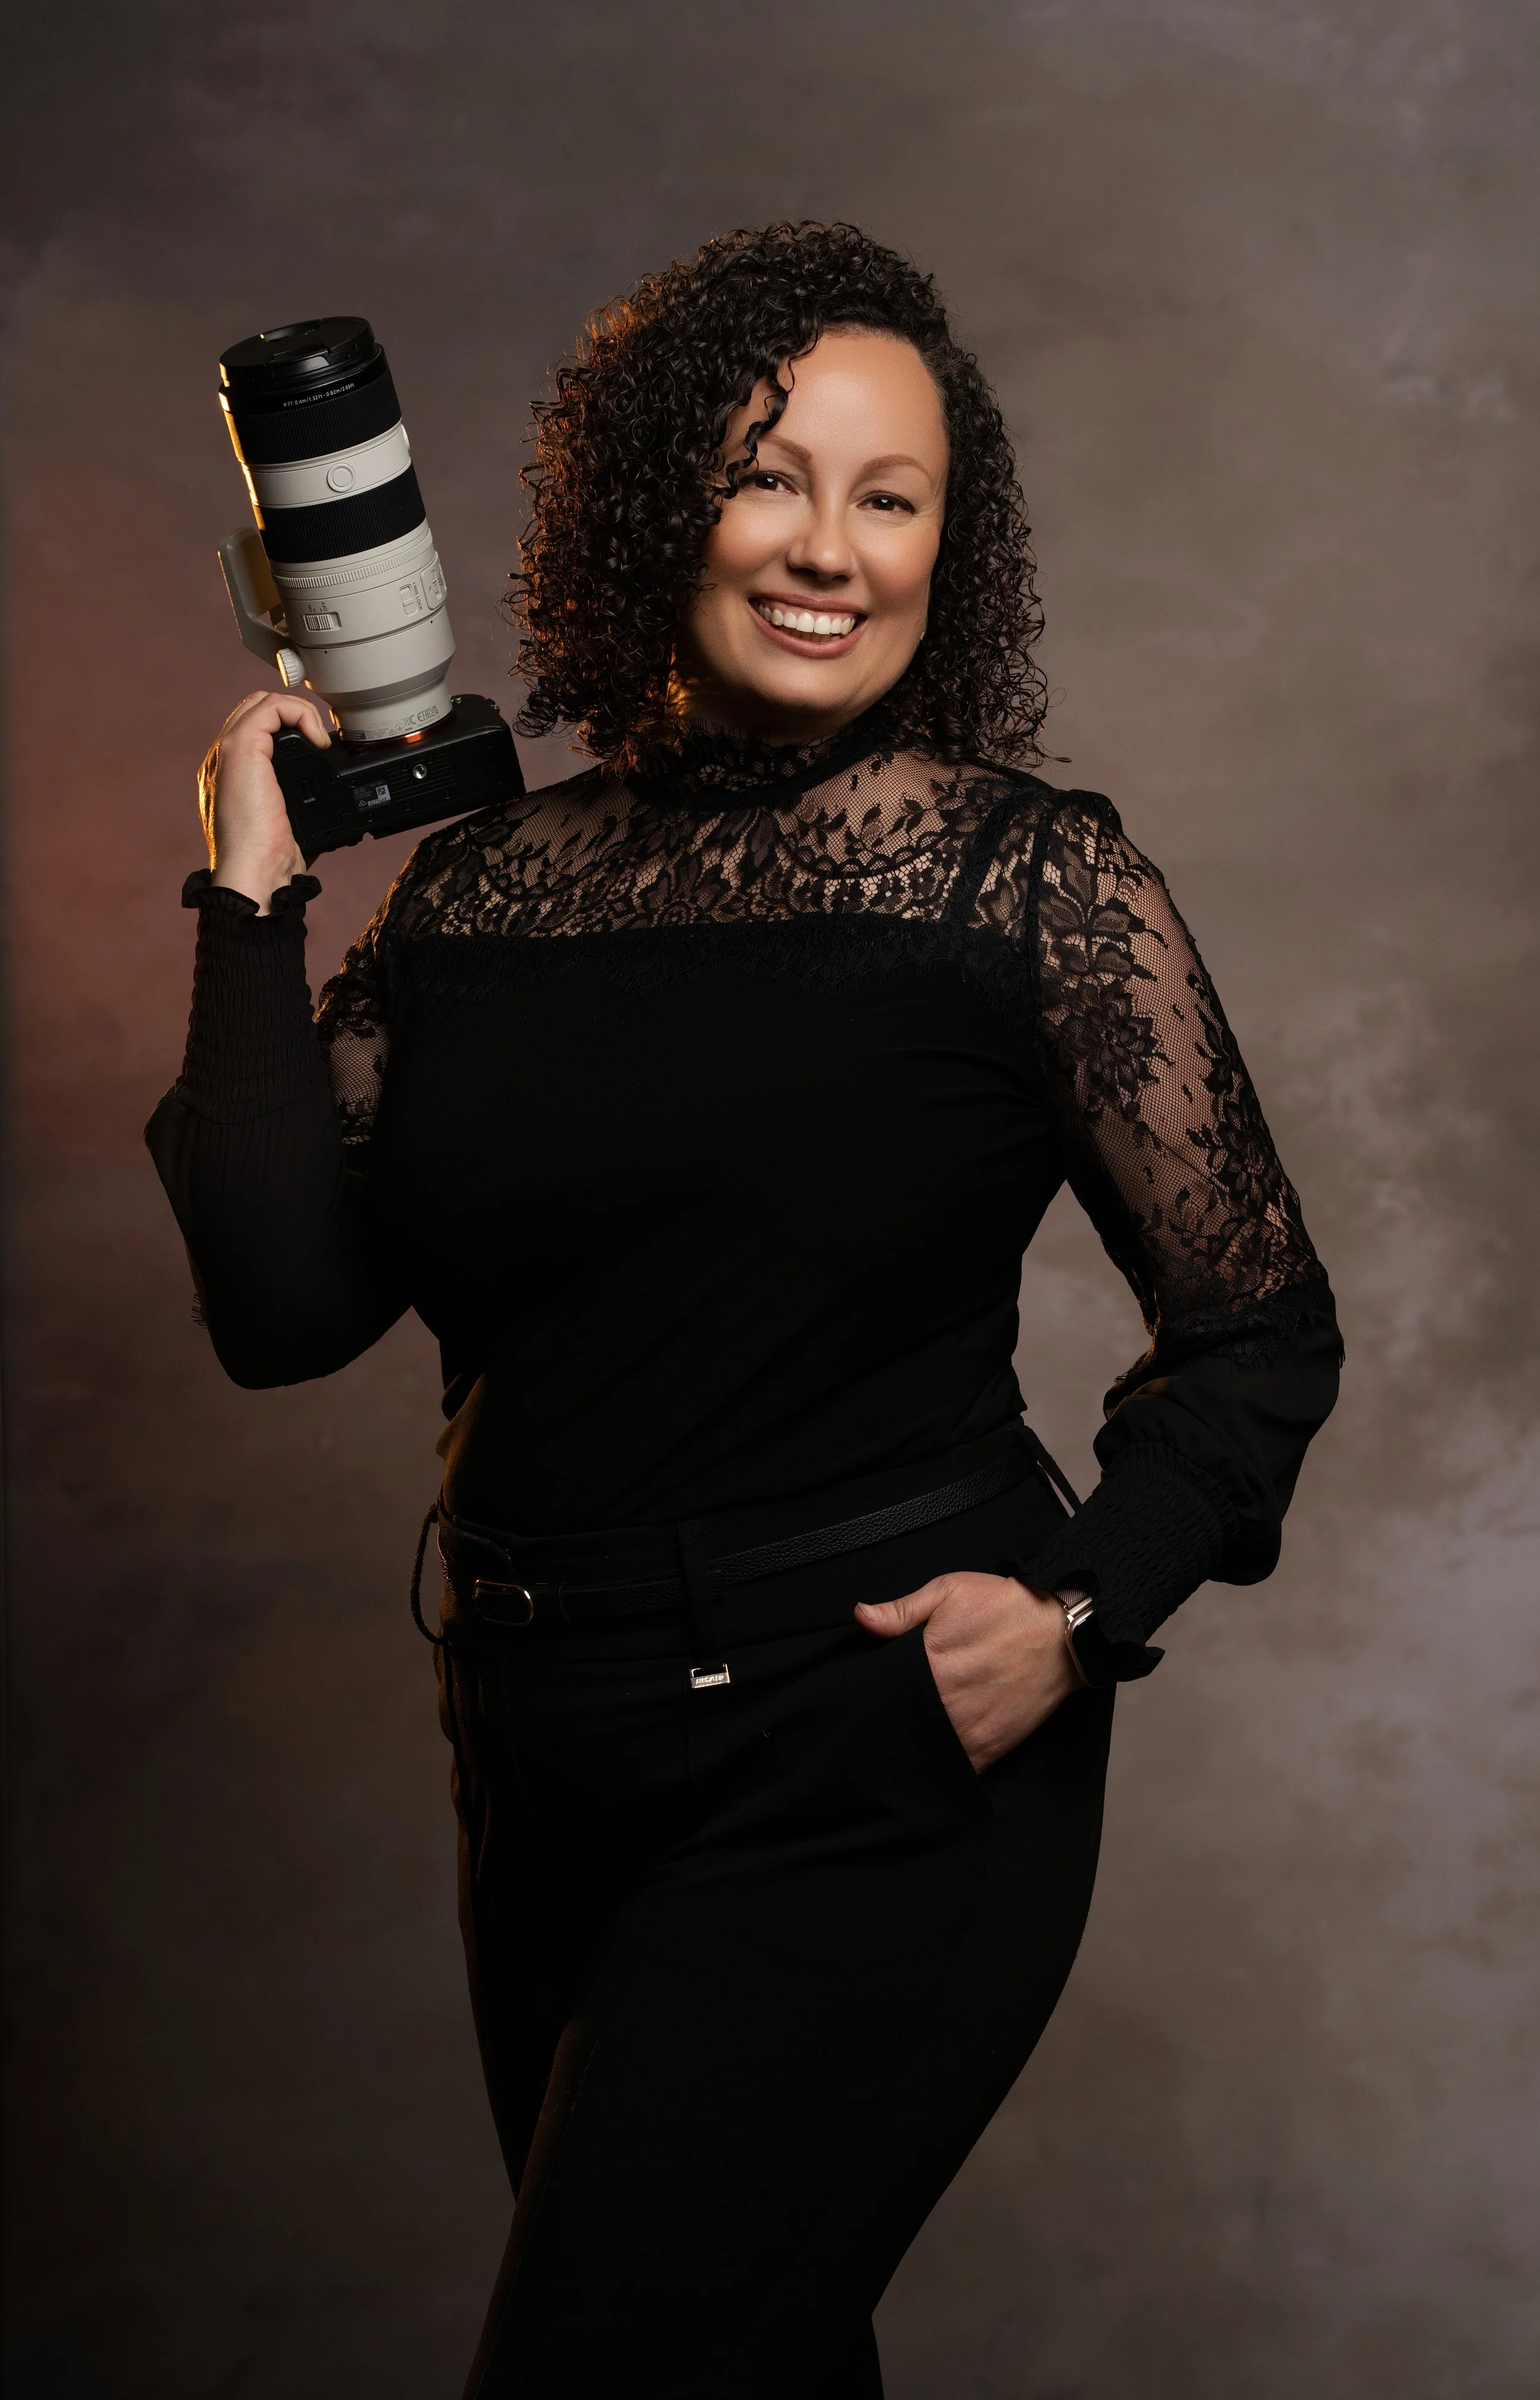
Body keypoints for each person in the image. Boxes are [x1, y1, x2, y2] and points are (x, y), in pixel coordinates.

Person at [148, 220, 1341, 2398]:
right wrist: (247, 899)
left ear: (942, 553)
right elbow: (275, 1306)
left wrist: (1077, 1607)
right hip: (537, 1752)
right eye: (771, 475)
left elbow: (1262, 1326)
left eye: (891, 499)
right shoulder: (486, 882)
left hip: (869, 1750)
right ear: (650, 504)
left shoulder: (1023, 879)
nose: (830, 547)